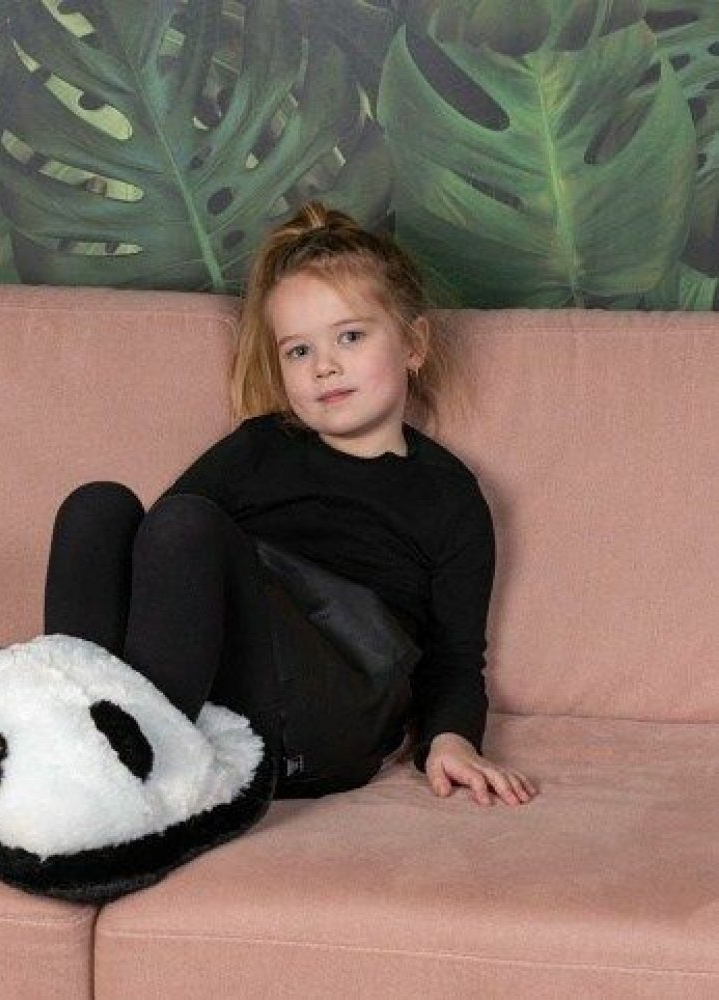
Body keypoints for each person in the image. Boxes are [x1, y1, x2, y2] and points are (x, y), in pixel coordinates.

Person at [44, 201, 538, 808]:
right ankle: (69, 740)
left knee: (186, 525)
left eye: (350, 337)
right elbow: (160, 566)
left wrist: (451, 740)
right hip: (228, 686)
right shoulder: (259, 446)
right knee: (99, 508)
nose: (325, 366)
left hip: (333, 706)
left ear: (413, 344)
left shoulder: (448, 494)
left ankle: (131, 765)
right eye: (298, 351)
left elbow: (455, 656)